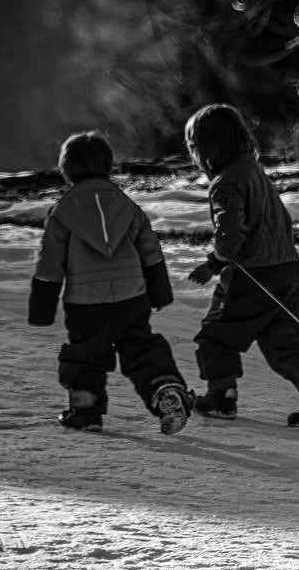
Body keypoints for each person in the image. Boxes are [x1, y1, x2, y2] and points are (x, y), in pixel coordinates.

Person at [182, 103, 299, 427]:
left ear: (206, 148)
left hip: (252, 275)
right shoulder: (254, 171)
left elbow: (230, 235)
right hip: (287, 268)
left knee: (216, 335)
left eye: (193, 147)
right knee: (281, 339)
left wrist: (214, 264)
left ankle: (221, 395)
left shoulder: (226, 183)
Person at [28, 132, 193, 435]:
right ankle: (165, 389)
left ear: (67, 169)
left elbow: (50, 264)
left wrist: (41, 308)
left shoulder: (62, 211)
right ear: (108, 166)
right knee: (141, 348)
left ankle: (85, 410)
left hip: (85, 302)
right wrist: (159, 291)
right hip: (132, 297)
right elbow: (150, 251)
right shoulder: (126, 206)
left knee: (85, 355)